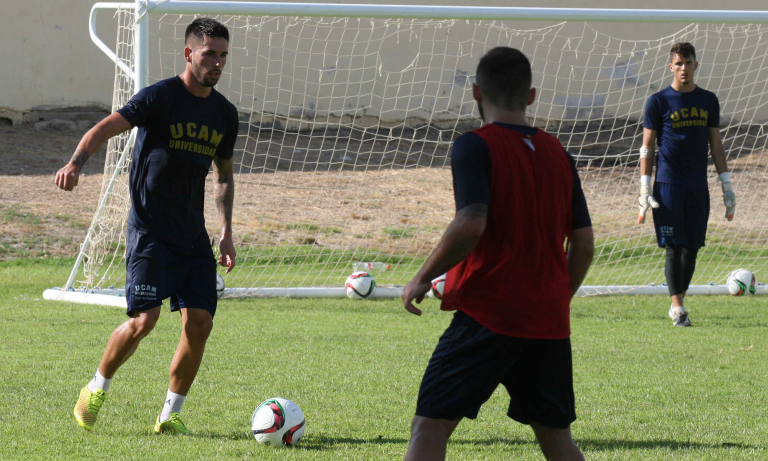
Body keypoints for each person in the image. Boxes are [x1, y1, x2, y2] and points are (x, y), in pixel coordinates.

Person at [402, 47, 594, 461]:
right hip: (547, 321)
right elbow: (584, 244)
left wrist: (422, 276)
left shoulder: (474, 146)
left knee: (430, 427)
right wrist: (556, 298)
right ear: (531, 96)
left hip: (488, 315)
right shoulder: (560, 153)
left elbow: (471, 223)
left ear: (476, 91)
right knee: (557, 440)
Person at [56, 18, 239, 434]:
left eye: (223, 55)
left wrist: (226, 232)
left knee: (200, 324)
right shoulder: (159, 97)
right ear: (189, 53)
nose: (217, 63)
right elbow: (104, 128)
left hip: (193, 236)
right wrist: (75, 164)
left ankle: (170, 415)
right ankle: (96, 387)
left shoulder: (225, 114)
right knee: (144, 320)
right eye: (209, 54)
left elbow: (224, 175)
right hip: (150, 232)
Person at [638, 42, 735, 327]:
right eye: (678, 63)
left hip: (697, 186)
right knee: (674, 247)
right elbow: (647, 147)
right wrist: (644, 187)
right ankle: (679, 309)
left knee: (692, 248)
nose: (684, 68)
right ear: (671, 67)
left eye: (688, 62)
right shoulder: (657, 101)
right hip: (667, 184)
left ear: (695, 65)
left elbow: (716, 144)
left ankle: (678, 301)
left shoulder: (708, 100)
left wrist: (726, 184)